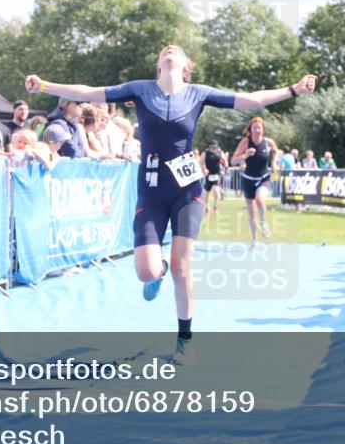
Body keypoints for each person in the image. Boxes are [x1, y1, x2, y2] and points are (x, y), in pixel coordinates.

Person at [25, 44, 317, 363]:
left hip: (186, 188)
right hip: (150, 188)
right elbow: (89, 91)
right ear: (158, 64)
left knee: (182, 264)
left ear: (185, 66)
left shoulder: (197, 93)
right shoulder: (140, 90)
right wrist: (44, 85)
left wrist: (293, 89)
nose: (169, 49)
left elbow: (251, 99)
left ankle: (184, 341)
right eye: (165, 49)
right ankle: (159, 271)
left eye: (176, 50)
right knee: (146, 271)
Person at [230, 117, 279, 248]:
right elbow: (233, 161)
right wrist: (245, 155)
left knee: (259, 200)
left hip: (264, 178)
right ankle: (255, 240)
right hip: (248, 180)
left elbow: (276, 152)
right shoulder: (245, 142)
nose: (257, 130)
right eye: (254, 128)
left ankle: (264, 224)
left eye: (259, 127)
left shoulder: (268, 142)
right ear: (250, 130)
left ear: (263, 129)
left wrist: (274, 163)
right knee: (251, 212)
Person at [200, 140, 228, 216]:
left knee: (216, 191)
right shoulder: (205, 153)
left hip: (217, 175)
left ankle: (215, 206)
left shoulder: (220, 153)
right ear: (209, 147)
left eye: (215, 147)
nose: (214, 148)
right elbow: (201, 162)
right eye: (212, 147)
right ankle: (207, 207)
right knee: (207, 194)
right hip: (208, 175)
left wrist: (226, 168)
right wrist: (203, 169)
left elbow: (225, 161)